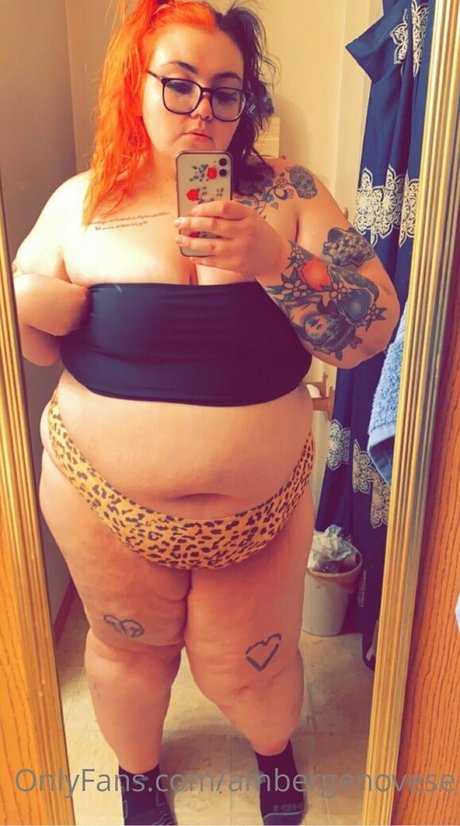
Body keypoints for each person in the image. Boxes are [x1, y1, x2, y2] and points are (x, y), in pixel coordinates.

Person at [12, 1, 400, 824]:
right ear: (137, 84)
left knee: (252, 664)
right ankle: (139, 775)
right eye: (179, 84)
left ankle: (273, 749)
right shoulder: (81, 202)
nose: (204, 112)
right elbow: (34, 341)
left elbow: (371, 328)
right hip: (101, 502)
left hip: (262, 505)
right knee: (129, 653)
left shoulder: (290, 190)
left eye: (227, 91)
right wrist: (35, 304)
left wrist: (276, 258)